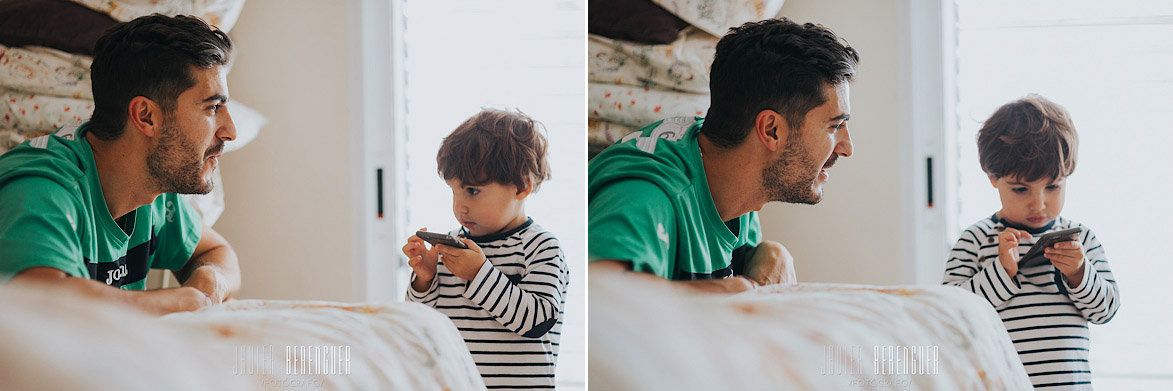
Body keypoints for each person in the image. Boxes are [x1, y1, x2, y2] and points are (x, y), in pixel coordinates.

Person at [587, 18, 859, 293]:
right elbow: (598, 301)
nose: (847, 147)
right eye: (835, 126)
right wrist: (720, 295)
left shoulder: (735, 176)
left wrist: (770, 252)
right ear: (771, 130)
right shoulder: (646, 198)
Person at [0, 14, 241, 315]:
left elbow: (218, 254)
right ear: (146, 116)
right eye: (213, 107)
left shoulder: (151, 185)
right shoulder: (41, 191)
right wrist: (182, 302)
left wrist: (208, 284)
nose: (230, 131)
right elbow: (47, 305)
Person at [942, 95, 1119, 390]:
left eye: (1052, 186)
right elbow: (950, 316)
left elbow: (1106, 310)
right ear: (992, 178)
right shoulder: (976, 239)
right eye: (1021, 189)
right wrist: (1001, 271)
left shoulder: (1081, 239)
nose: (1039, 204)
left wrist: (1078, 274)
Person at [402, 109, 568, 389]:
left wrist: (480, 274)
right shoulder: (450, 246)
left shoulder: (541, 247)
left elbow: (537, 321)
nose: (459, 207)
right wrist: (424, 280)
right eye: (454, 191)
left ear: (521, 187)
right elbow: (422, 325)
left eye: (472, 191)